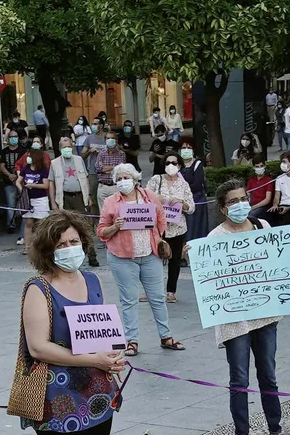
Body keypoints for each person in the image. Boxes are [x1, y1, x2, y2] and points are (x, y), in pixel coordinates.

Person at [16, 212, 127, 435]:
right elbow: (38, 347)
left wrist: (112, 354)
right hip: (56, 400)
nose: (69, 249)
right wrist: (88, 357)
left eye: (74, 242)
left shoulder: (92, 280)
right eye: (61, 244)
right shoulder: (39, 288)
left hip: (97, 396)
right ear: (48, 250)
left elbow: (103, 331)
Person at [206, 181, 290, 435]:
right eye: (233, 201)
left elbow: (280, 261)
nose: (240, 204)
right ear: (223, 208)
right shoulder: (214, 238)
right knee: (239, 380)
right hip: (234, 320)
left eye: (243, 198)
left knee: (268, 375)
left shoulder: (262, 227)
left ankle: (275, 431)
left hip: (265, 313)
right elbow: (209, 278)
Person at [96, 162, 183, 355]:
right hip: (122, 257)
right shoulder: (111, 202)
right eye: (119, 179)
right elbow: (101, 231)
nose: (122, 181)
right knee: (129, 300)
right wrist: (115, 227)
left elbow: (161, 217)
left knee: (158, 298)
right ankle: (132, 341)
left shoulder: (149, 196)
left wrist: (159, 237)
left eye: (126, 178)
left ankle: (166, 336)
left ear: (135, 180)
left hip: (150, 254)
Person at [149, 154, 195, 304]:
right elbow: (144, 197)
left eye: (174, 163)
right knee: (152, 259)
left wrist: (181, 203)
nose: (170, 165)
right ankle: (151, 291)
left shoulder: (184, 184)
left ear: (179, 165)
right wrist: (157, 198)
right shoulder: (157, 180)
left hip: (177, 227)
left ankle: (171, 291)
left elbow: (191, 208)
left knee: (175, 260)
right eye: (168, 162)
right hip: (157, 227)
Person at [18, 141, 54, 247]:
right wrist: (22, 190)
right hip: (28, 200)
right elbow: (18, 181)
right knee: (28, 223)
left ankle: (41, 246)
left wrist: (33, 185)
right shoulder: (26, 168)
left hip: (40, 199)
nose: (28, 157)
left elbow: (45, 185)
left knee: (41, 224)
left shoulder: (43, 169)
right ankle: (27, 247)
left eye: (30, 155)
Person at [51, 135, 91, 219]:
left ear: (72, 147)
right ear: (60, 149)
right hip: (64, 198)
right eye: (64, 147)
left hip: (79, 197)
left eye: (69, 146)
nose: (67, 149)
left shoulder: (79, 159)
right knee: (66, 222)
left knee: (83, 221)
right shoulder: (54, 163)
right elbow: (51, 183)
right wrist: (53, 203)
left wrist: (89, 196)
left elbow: (86, 178)